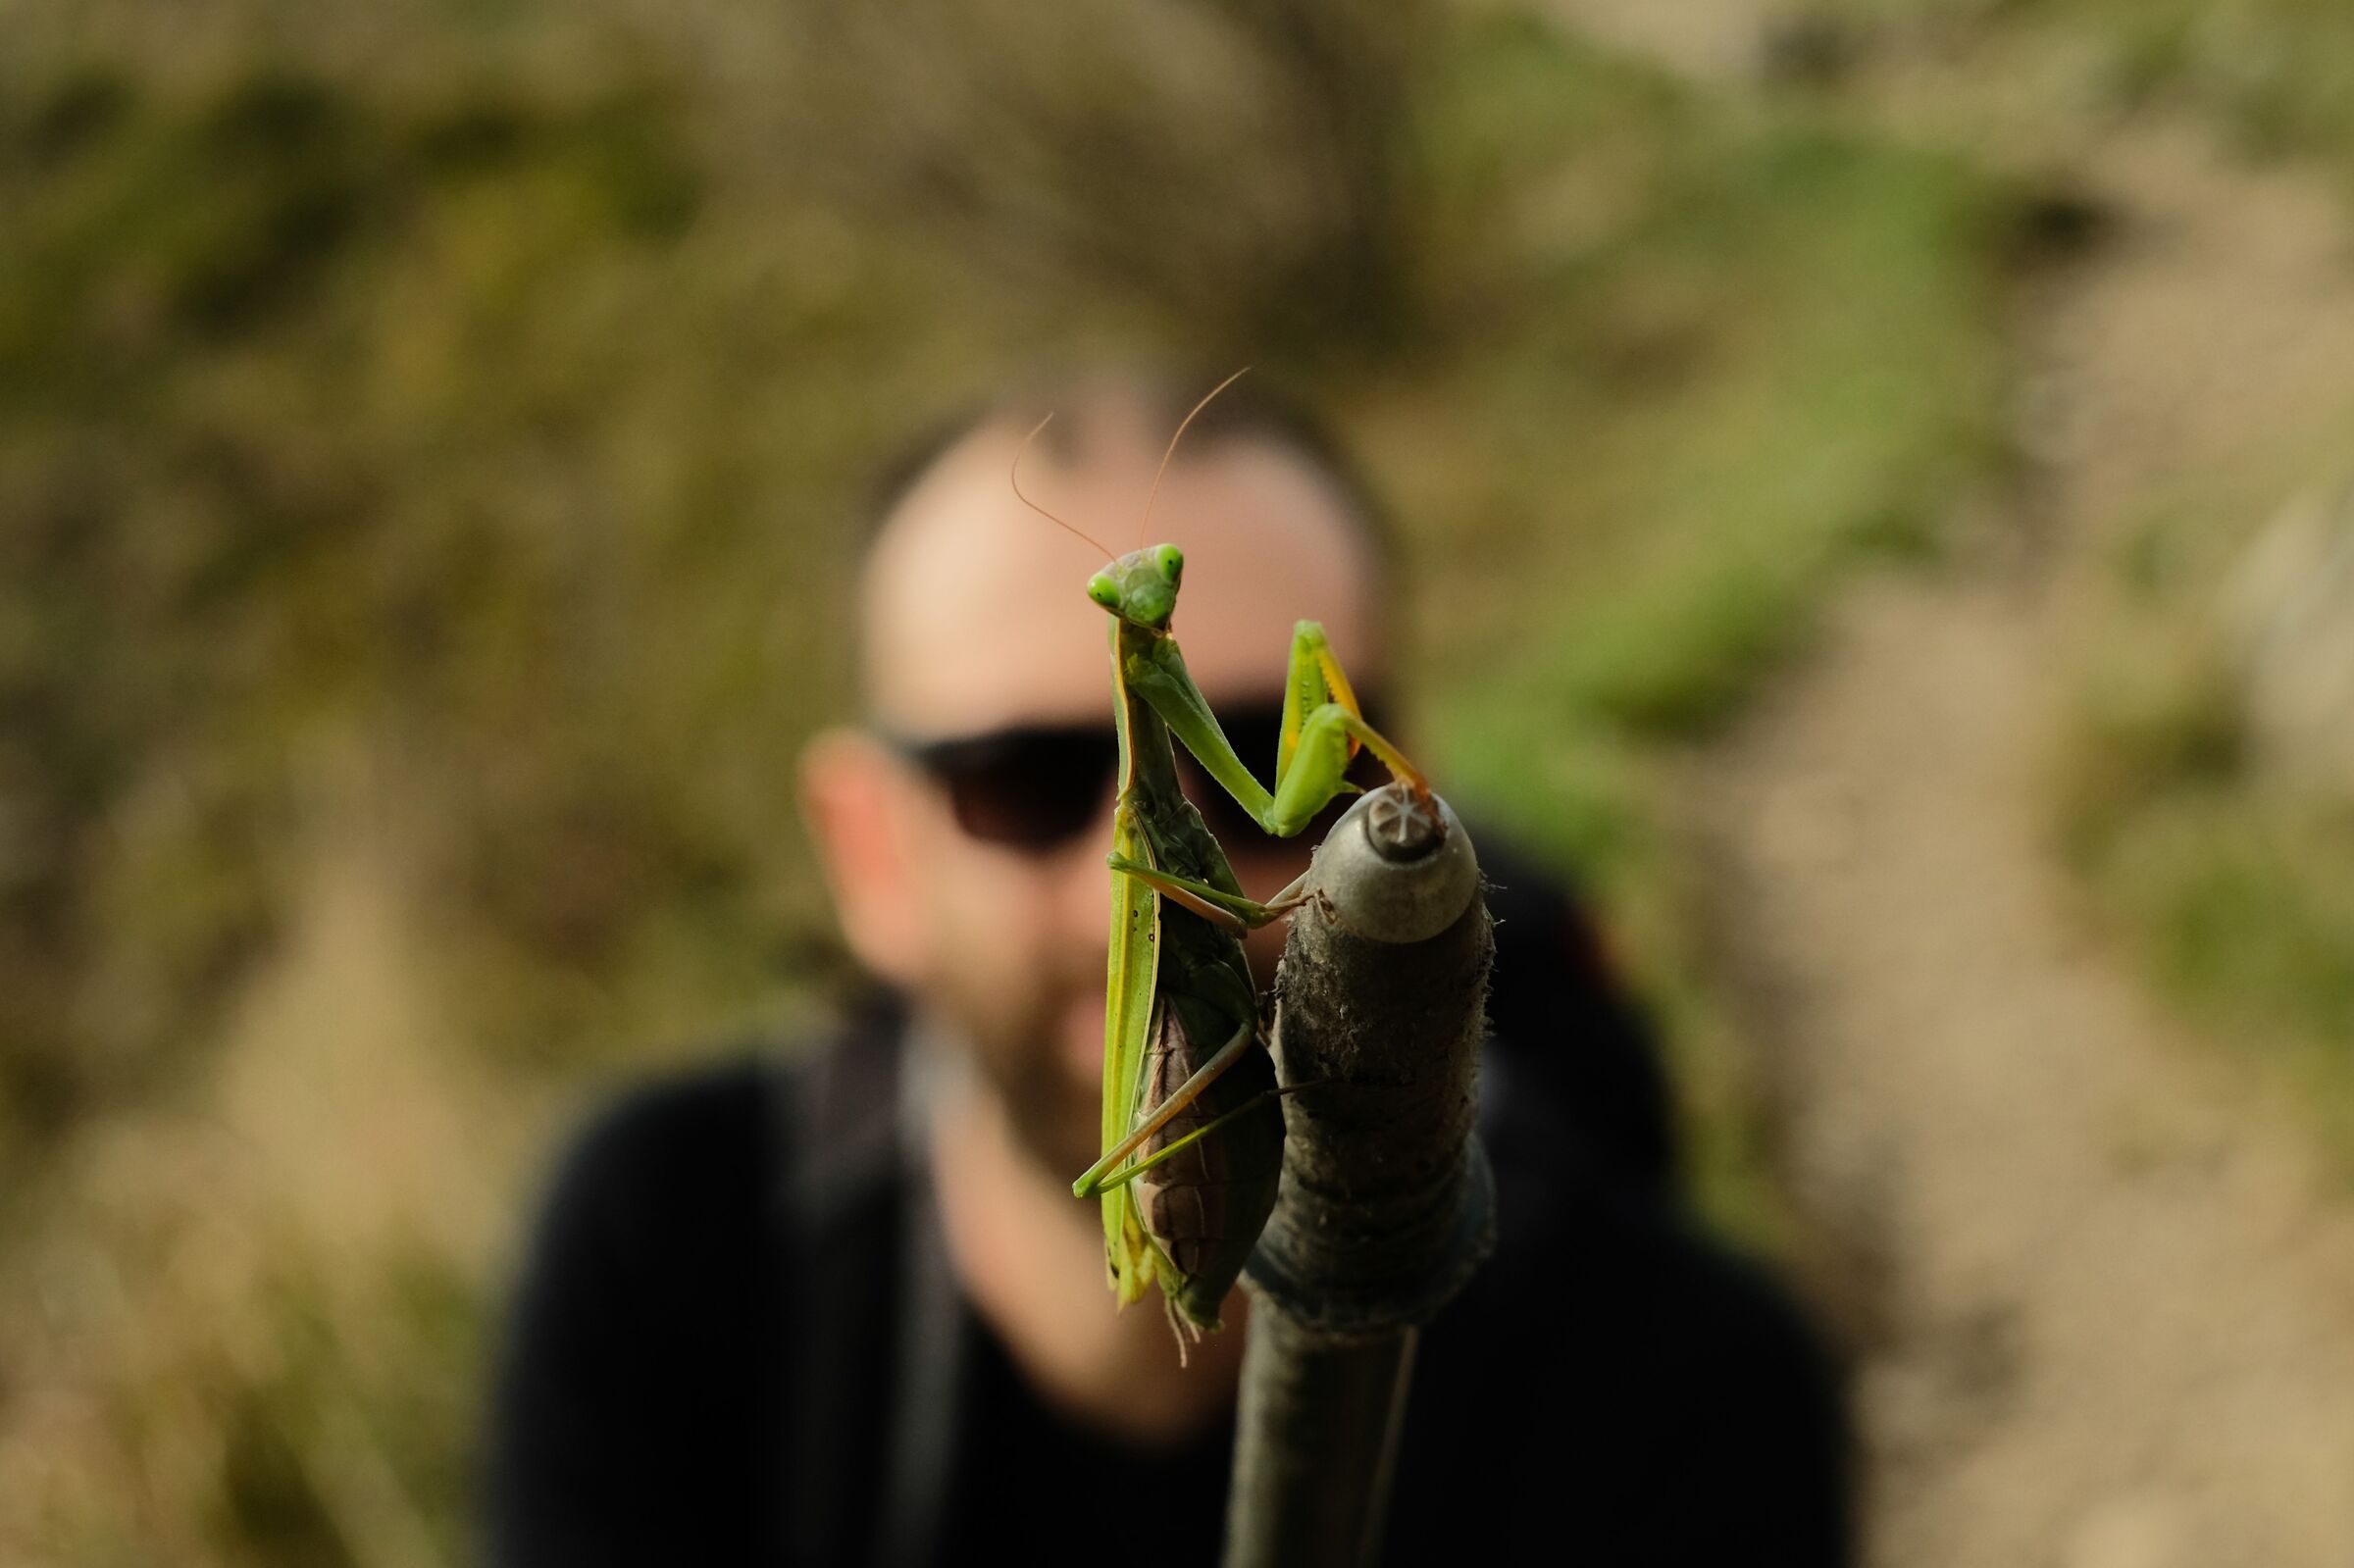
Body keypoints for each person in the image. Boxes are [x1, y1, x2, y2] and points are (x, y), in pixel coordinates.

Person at [485, 370, 1852, 1566]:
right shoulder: (664, 1266)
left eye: (1264, 739)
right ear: (870, 852)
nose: (1100, 906)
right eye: (1016, 780)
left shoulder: (1681, 1371)